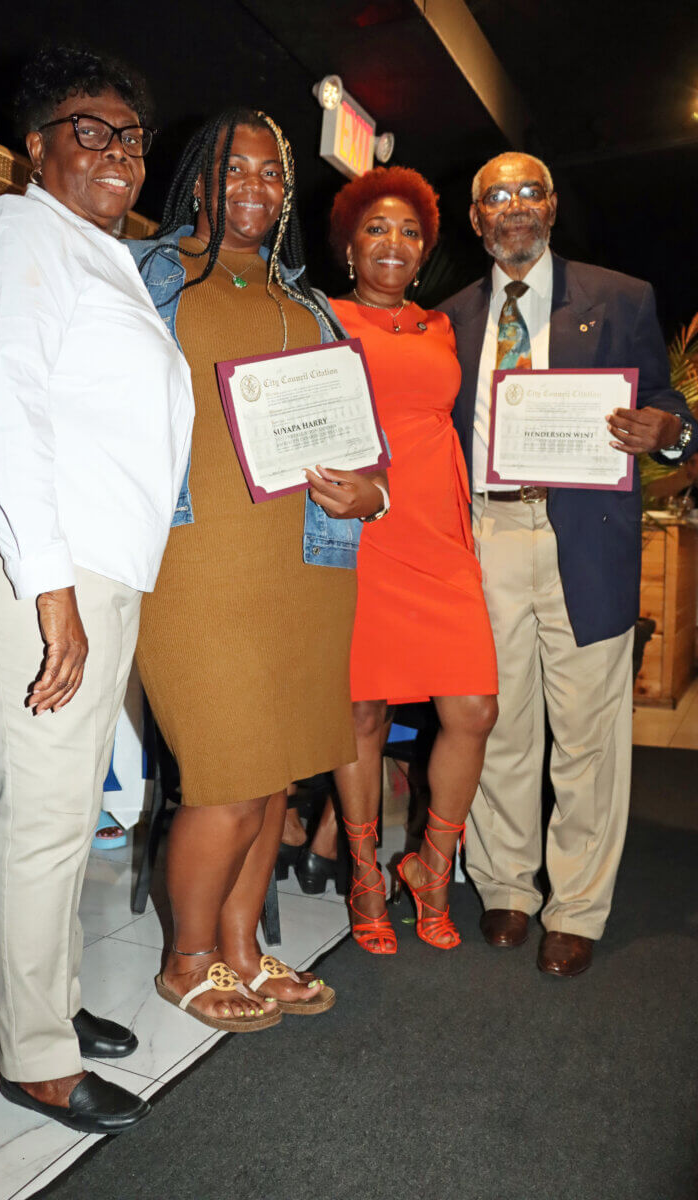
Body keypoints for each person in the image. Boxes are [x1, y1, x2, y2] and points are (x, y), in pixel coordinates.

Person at [0, 46, 194, 1131]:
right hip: (27, 552)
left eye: (131, 136)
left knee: (69, 808)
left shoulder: (95, 257)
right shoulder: (14, 232)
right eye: (91, 129)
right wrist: (50, 588)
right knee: (40, 810)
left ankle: (56, 1007)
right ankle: (35, 1056)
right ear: (35, 146)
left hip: (84, 559)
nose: (118, 152)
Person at [128, 110, 387, 1027]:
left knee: (274, 775)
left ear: (288, 190)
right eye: (234, 167)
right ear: (199, 175)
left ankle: (242, 950)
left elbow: (364, 447)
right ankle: (187, 959)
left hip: (305, 564)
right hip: (196, 561)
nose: (254, 185)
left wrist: (372, 493)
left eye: (271, 171)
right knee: (228, 774)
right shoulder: (148, 275)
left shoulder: (307, 302)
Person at [437, 151, 697, 976]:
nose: (513, 208)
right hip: (486, 533)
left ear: (550, 206)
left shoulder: (622, 298)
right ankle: (506, 888)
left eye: (527, 193)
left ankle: (577, 906)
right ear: (476, 219)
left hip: (585, 534)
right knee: (497, 723)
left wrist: (671, 433)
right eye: (495, 198)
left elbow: (667, 403)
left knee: (587, 734)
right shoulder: (447, 319)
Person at [324, 166, 498, 955]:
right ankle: (365, 873)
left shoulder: (441, 326)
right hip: (362, 530)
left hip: (438, 529)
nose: (393, 243)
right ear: (349, 244)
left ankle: (430, 862)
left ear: (425, 251)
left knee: (472, 710)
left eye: (409, 233)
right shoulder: (322, 315)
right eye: (375, 229)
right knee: (363, 712)